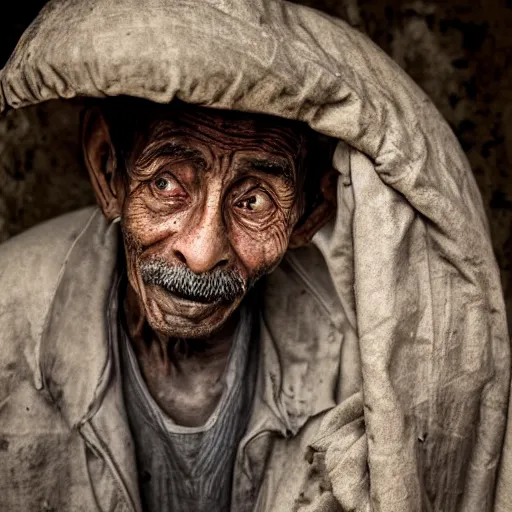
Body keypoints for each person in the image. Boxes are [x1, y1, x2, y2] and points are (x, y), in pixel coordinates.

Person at [0, 0, 510, 511]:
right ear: (109, 170)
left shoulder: (368, 358)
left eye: (253, 201)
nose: (201, 253)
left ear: (310, 214)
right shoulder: (7, 312)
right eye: (166, 183)